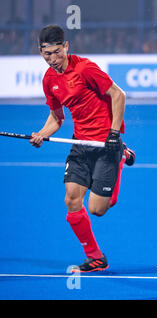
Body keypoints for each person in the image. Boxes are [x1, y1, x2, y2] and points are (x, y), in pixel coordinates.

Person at [29, 25, 135, 272]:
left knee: (98, 210)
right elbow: (57, 117)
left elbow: (118, 95)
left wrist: (114, 134)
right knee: (72, 200)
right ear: (40, 52)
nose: (53, 59)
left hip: (106, 144)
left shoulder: (85, 68)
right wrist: (41, 134)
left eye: (57, 52)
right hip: (80, 145)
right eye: (47, 55)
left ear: (66, 47)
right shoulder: (49, 80)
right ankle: (95, 258)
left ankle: (122, 155)